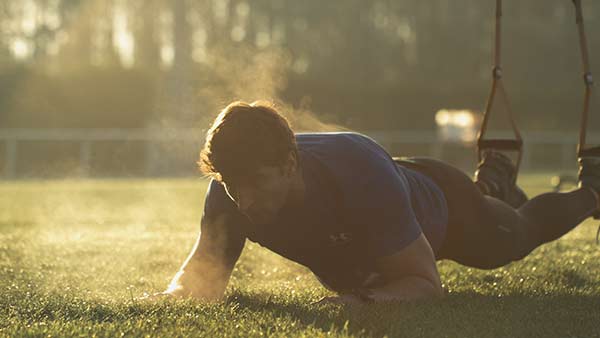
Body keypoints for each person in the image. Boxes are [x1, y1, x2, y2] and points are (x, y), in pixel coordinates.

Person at [149, 101, 600, 305]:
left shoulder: (357, 172)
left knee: (513, 238)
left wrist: (357, 303)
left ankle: (592, 190)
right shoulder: (228, 192)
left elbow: (423, 284)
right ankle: (494, 180)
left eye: (256, 182)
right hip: (386, 201)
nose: (243, 198)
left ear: (289, 164)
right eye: (232, 184)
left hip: (442, 204)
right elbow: (198, 284)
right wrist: (159, 300)